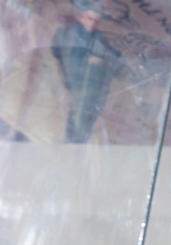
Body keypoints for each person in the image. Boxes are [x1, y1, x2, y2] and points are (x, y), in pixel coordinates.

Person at [51, 3, 122, 143]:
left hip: (90, 84)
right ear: (80, 17)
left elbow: (114, 56)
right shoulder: (67, 33)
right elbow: (57, 52)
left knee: (86, 113)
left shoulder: (97, 37)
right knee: (78, 113)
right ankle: (74, 138)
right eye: (90, 18)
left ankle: (78, 138)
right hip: (75, 84)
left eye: (96, 21)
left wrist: (104, 60)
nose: (93, 23)